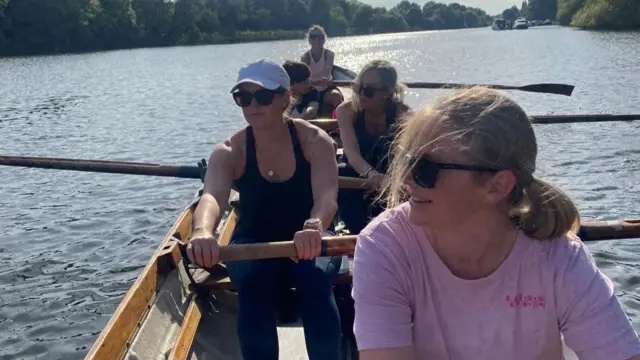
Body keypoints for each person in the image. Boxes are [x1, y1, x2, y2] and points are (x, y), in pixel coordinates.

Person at [351, 87, 640, 360]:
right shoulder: (385, 247)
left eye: (425, 169)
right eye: (406, 161)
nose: (406, 179)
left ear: (497, 186)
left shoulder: (559, 257)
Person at [186, 59, 342, 360]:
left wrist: (315, 225)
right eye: (243, 97)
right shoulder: (229, 150)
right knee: (252, 285)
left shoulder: (314, 141)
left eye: (263, 96)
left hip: (311, 237)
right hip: (252, 242)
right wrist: (203, 230)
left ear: (286, 98)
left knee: (314, 281)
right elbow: (212, 198)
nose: (252, 105)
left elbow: (327, 198)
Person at [335, 60, 411, 235]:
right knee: (341, 173)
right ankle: (357, 232)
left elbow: (402, 155)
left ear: (387, 92)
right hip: (355, 169)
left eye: (368, 91)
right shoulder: (346, 111)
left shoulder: (404, 115)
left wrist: (389, 179)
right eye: (357, 88)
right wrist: (372, 175)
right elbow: (352, 154)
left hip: (388, 170)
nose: (360, 94)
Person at [301, 25, 343, 114]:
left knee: (336, 96)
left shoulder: (329, 54)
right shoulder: (305, 57)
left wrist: (323, 80)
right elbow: (304, 79)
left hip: (326, 89)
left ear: (324, 39)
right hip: (310, 90)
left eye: (320, 37)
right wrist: (317, 82)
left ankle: (338, 120)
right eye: (314, 37)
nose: (317, 40)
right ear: (309, 40)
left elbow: (326, 73)